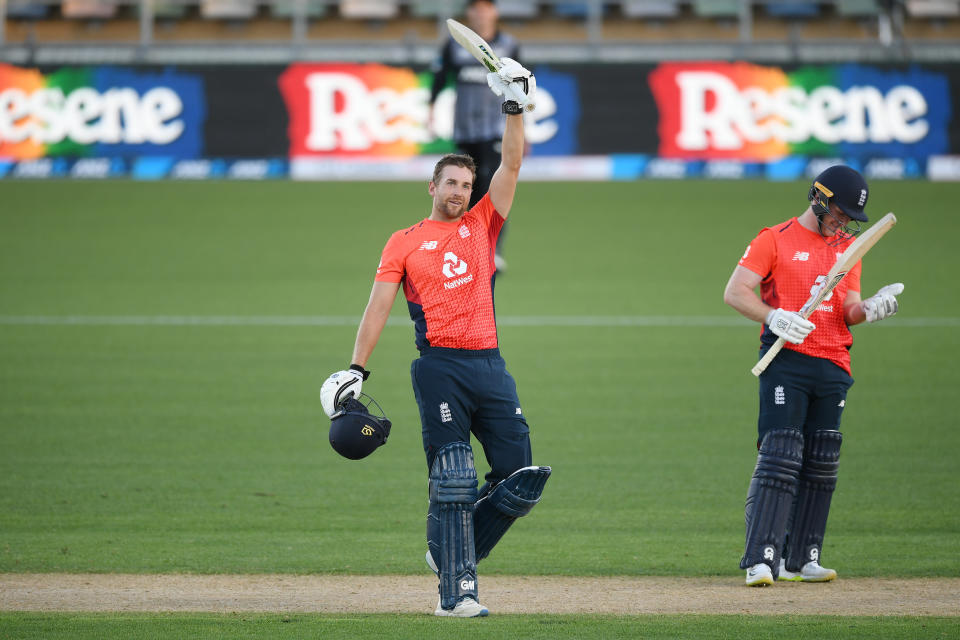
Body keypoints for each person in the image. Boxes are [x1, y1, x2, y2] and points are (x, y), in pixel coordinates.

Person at [322, 58, 550, 617]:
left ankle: (446, 546)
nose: (459, 191)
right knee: (453, 477)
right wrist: (356, 367)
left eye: (467, 185)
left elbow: (513, 165)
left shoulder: (483, 223)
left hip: (490, 366)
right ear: (433, 185)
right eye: (451, 182)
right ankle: (458, 592)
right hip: (440, 366)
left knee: (521, 478)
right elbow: (378, 306)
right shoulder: (403, 241)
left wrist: (514, 107)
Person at [722, 165, 904, 587]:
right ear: (819, 199)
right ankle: (762, 559)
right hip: (786, 361)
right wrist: (775, 317)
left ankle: (802, 559)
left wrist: (871, 308)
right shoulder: (775, 239)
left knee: (821, 462)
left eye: (848, 219)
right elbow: (734, 292)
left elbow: (848, 310)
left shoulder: (849, 250)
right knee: (779, 457)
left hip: (834, 364)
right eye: (838, 213)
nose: (842, 223)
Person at [430, 0, 520, 271]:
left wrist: (520, 127)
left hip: (495, 130)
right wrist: (431, 109)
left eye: (486, 7)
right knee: (461, 190)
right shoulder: (454, 44)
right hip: (464, 130)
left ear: (495, 11)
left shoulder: (509, 46)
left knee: (490, 191)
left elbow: (521, 85)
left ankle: (493, 250)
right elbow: (440, 77)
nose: (481, 13)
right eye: (476, 8)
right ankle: (460, 249)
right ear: (469, 12)